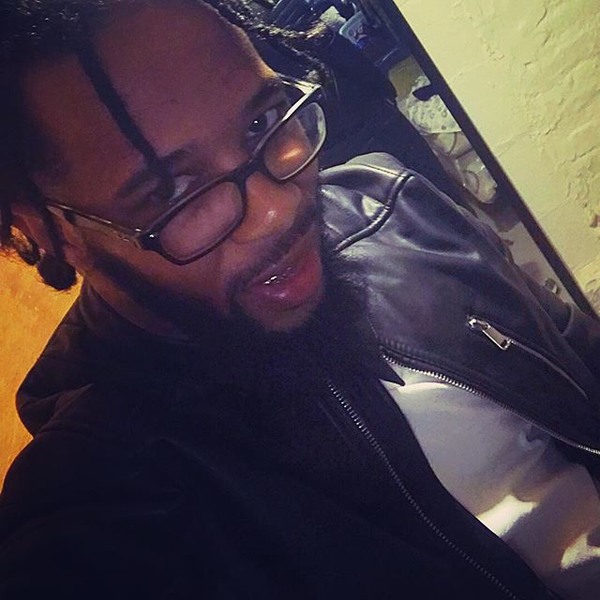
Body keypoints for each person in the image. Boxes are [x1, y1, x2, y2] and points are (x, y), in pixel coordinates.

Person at [0, 1, 599, 598]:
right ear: (56, 233)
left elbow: (580, 359)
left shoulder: (390, 204)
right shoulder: (100, 511)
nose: (277, 210)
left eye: (261, 122)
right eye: (172, 191)